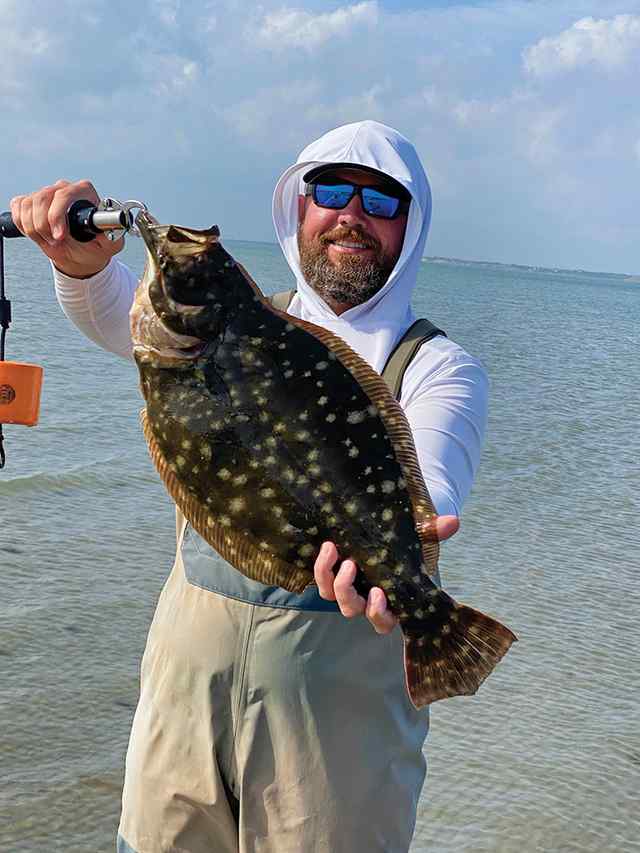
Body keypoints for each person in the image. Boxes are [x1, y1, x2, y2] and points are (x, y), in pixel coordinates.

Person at [11, 120, 488, 853]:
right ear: (298, 206)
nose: (350, 215)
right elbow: (118, 317)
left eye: (380, 202)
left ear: (409, 227)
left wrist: (399, 563)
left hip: (334, 753)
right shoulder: (242, 323)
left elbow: (435, 479)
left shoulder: (436, 367)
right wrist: (76, 264)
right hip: (183, 713)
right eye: (331, 190)